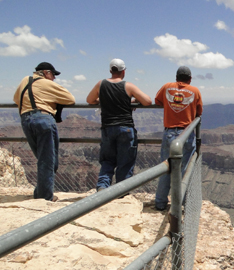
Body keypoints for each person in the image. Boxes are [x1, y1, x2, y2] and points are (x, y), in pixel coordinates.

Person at [86, 58, 152, 191]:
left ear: (110, 71)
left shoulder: (101, 84)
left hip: (108, 128)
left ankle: (103, 187)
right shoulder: (128, 86)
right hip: (125, 128)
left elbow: (89, 100)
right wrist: (132, 100)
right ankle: (121, 191)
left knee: (107, 160)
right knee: (125, 162)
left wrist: (103, 99)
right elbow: (148, 101)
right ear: (123, 72)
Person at [13, 62, 76, 201]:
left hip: (25, 120)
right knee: (48, 161)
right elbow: (70, 99)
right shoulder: (48, 84)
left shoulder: (25, 80)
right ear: (46, 73)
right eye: (53, 74)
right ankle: (45, 197)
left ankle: (40, 194)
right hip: (43, 120)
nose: (54, 78)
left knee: (43, 159)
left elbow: (16, 99)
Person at [154, 66, 203, 210]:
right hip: (186, 134)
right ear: (190, 78)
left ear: (176, 77)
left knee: (166, 169)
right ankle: (179, 205)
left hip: (169, 133)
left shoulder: (167, 87)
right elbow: (199, 112)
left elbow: (157, 101)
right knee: (184, 171)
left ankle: (160, 203)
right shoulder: (195, 91)